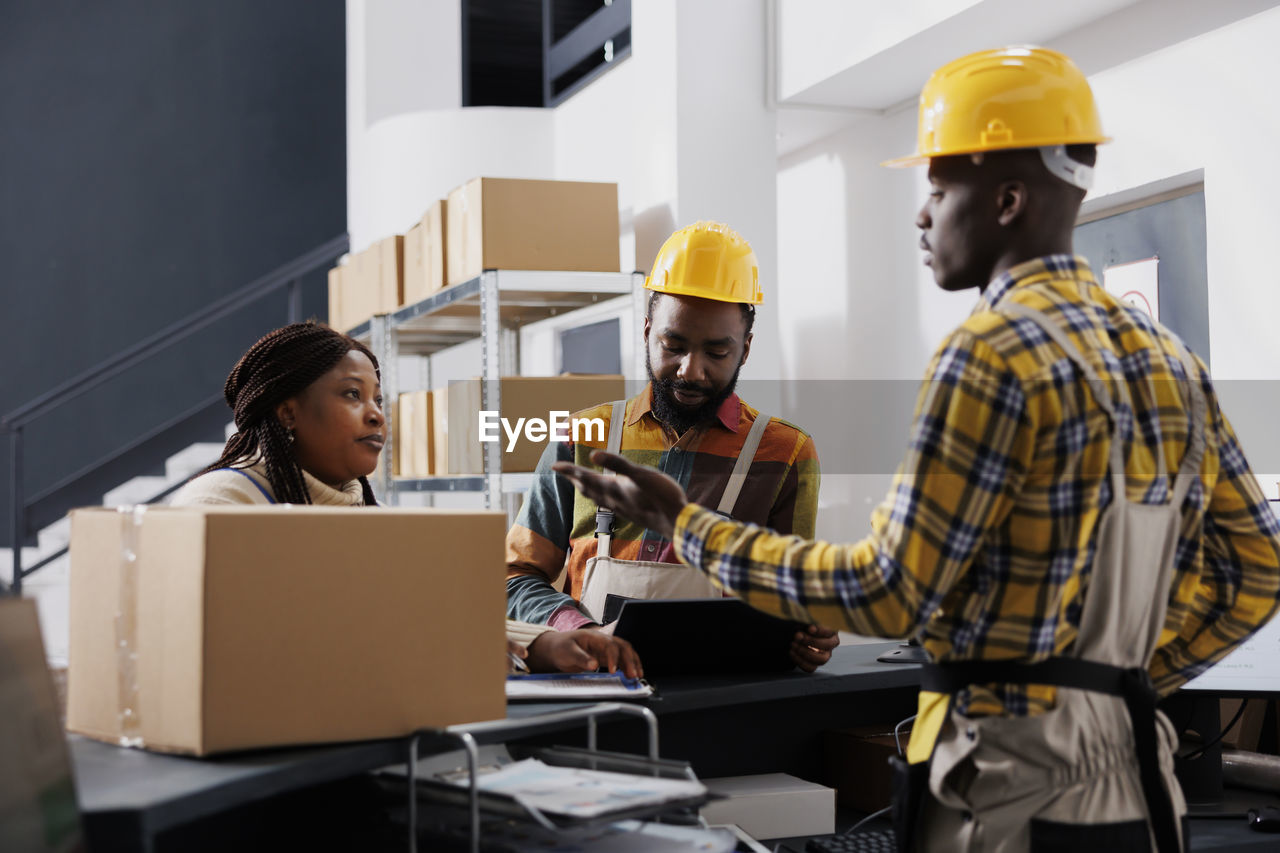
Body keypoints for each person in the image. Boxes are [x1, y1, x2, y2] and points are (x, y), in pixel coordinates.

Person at [552, 47, 1280, 852]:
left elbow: (887, 592)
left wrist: (686, 522)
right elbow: (1258, 569)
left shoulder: (990, 353)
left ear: (1006, 197)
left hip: (1005, 794)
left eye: (938, 186)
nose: (922, 214)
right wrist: (1120, 688)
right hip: (1140, 785)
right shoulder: (1166, 359)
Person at [172, 321, 641, 679]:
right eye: (352, 395)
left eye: (378, 398)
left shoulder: (359, 511)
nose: (376, 415)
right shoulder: (222, 503)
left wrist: (542, 644)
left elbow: (416, 619)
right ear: (288, 411)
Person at [505, 221, 840, 672]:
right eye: (673, 344)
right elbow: (514, 577)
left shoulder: (785, 454)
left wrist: (807, 633)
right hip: (595, 694)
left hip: (723, 701)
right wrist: (577, 630)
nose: (690, 370)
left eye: (717, 354)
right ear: (646, 331)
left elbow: (792, 596)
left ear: (745, 349)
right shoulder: (580, 438)